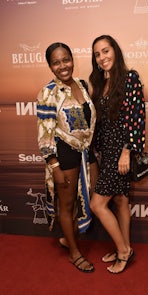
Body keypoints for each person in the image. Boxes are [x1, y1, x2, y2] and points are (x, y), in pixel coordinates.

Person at [36, 42, 97, 273]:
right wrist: (54, 166)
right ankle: (73, 252)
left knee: (88, 200)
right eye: (56, 62)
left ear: (73, 59)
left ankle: (69, 240)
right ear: (50, 66)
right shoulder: (48, 92)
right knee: (68, 204)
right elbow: (44, 133)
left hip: (86, 152)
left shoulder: (82, 84)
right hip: (65, 155)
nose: (63, 66)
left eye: (66, 60)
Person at [89, 35, 146, 274]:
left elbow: (137, 117)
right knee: (121, 201)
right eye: (97, 54)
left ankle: (124, 252)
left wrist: (126, 152)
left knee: (97, 204)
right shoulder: (101, 82)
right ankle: (125, 245)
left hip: (122, 150)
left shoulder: (130, 78)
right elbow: (101, 122)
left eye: (106, 51)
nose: (102, 58)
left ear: (115, 51)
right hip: (108, 150)